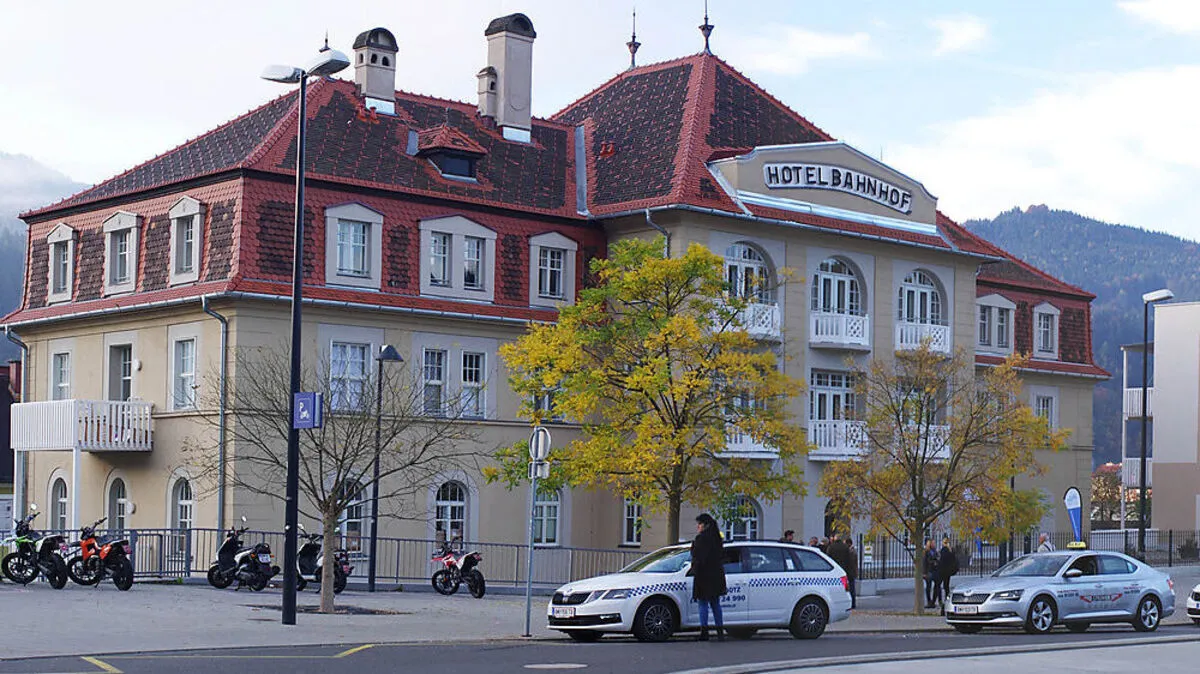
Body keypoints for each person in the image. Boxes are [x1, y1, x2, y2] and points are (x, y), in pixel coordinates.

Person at [691, 513, 727, 641]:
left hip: (703, 575)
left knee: (703, 603)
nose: (698, 526)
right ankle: (720, 632)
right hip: (716, 575)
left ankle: (704, 632)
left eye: (699, 524)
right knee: (715, 604)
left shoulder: (701, 539)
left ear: (705, 525)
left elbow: (697, 557)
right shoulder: (717, 538)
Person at [937, 537, 958, 614]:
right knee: (946, 587)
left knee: (938, 585)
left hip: (942, 571)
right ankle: (946, 599)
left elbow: (942, 560)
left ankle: (940, 600)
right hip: (947, 571)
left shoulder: (944, 550)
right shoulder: (950, 551)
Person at [923, 539, 940, 609]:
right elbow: (924, 562)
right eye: (932, 543)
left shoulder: (935, 551)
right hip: (929, 571)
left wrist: (937, 561)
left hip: (935, 570)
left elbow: (938, 558)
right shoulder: (926, 552)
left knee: (937, 585)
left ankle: (933, 601)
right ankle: (929, 601)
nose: (934, 544)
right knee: (928, 587)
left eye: (934, 543)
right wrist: (924, 572)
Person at [844, 535, 858, 610]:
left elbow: (852, 562)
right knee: (851, 588)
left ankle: (853, 603)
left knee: (851, 588)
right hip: (851, 571)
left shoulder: (852, 551)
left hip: (851, 572)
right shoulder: (852, 550)